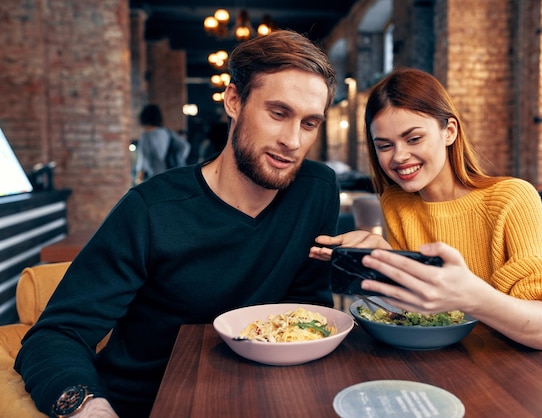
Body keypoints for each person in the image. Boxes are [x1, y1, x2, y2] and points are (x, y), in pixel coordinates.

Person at [16, 30, 338, 418]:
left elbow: (308, 308)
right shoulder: (152, 209)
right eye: (278, 113)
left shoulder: (315, 189)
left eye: (309, 123)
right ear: (234, 101)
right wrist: (88, 408)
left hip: (260, 396)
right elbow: (57, 335)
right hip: (145, 402)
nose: (293, 140)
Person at [310, 67, 542, 373]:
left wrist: (471, 295)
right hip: (465, 367)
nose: (399, 157)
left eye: (414, 138)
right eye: (385, 145)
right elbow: (426, 313)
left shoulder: (513, 197)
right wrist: (384, 266)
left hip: (541, 373)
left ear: (449, 131)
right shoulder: (398, 203)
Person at [134, 104, 190, 184]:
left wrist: (138, 179)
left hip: (157, 177)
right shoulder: (167, 132)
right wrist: (178, 158)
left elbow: (143, 160)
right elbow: (185, 146)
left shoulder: (146, 136)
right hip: (173, 174)